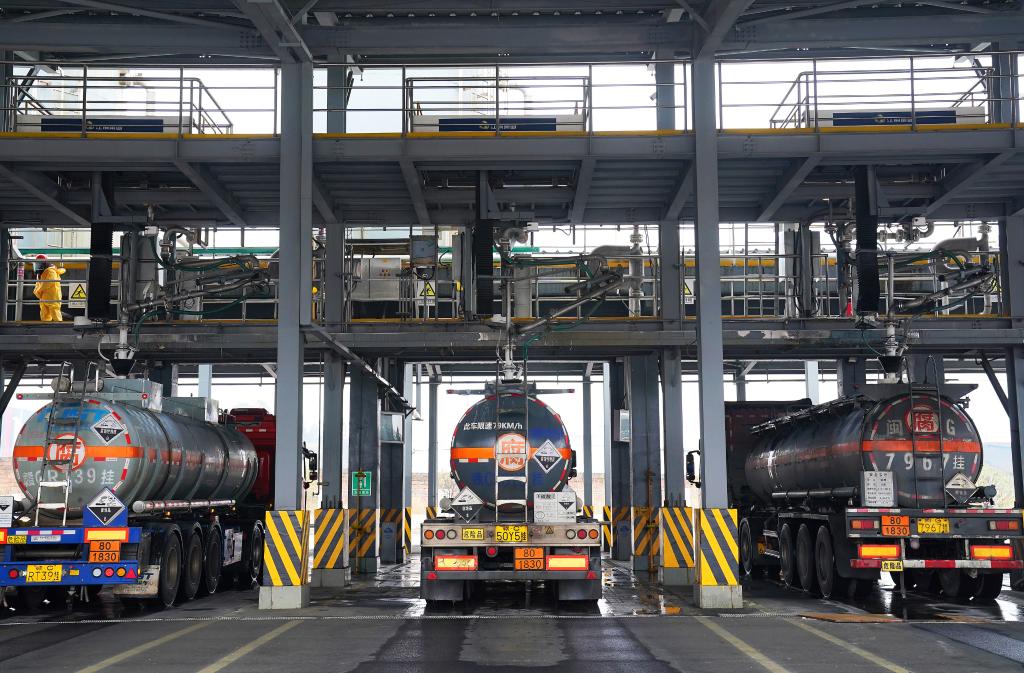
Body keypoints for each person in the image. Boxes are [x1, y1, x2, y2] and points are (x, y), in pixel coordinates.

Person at [32, 254, 66, 322]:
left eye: (39, 264)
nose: (38, 266)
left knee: (54, 311)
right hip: (43, 297)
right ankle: (45, 324)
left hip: (53, 296)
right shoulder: (40, 273)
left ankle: (59, 324)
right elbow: (38, 283)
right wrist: (36, 290)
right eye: (37, 264)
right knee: (44, 312)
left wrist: (38, 291)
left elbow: (48, 283)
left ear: (45, 263)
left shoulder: (51, 271)